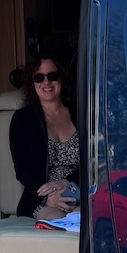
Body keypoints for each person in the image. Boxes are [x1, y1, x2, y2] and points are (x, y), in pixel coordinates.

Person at [10, 56, 79, 220]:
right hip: (40, 198)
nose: (46, 82)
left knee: (83, 220)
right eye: (39, 77)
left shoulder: (81, 114)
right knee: (59, 220)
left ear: (61, 78)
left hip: (77, 191)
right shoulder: (22, 119)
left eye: (52, 76)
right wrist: (48, 198)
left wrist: (66, 182)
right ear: (32, 82)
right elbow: (23, 171)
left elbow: (94, 161)